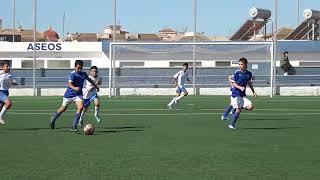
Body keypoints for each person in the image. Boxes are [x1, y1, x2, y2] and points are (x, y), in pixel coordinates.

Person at [49, 60, 99, 132]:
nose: (79, 69)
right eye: (78, 68)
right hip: (69, 94)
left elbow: (90, 80)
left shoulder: (83, 74)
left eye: (81, 68)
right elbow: (69, 84)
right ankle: (53, 118)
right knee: (63, 108)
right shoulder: (72, 74)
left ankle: (74, 126)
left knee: (81, 108)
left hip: (78, 94)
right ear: (75, 67)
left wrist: (96, 86)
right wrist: (75, 88)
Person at [221, 58, 257, 129]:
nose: (240, 66)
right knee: (238, 109)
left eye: (241, 64)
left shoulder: (249, 74)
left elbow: (249, 83)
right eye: (239, 64)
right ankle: (231, 124)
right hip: (235, 94)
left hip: (242, 95)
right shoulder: (237, 73)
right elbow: (233, 82)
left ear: (246, 64)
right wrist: (239, 87)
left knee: (250, 107)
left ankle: (229, 113)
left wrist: (253, 92)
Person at [0, 61, 18, 125]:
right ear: (2, 67)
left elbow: (14, 82)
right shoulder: (0, 73)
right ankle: (0, 117)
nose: (8, 67)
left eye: (9, 66)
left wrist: (14, 83)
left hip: (5, 92)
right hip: (0, 91)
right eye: (7, 66)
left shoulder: (10, 75)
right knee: (9, 103)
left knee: (1, 108)